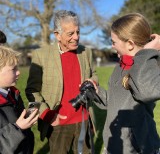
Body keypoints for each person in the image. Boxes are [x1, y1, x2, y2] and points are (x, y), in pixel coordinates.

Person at [25, 10, 98, 154]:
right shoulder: (41, 55)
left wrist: (92, 81)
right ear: (57, 35)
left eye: (78, 32)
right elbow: (32, 90)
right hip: (57, 123)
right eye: (70, 34)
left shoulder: (86, 52)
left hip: (83, 119)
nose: (76, 37)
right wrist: (48, 114)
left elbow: (94, 74)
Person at [96, 13, 160, 154]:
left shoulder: (152, 66)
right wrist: (95, 92)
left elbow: (146, 91)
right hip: (115, 143)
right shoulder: (120, 66)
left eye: (114, 42)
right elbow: (112, 102)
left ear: (130, 44)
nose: (112, 46)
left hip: (137, 148)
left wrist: (147, 52)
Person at [0, 46, 39, 153]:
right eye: (13, 69)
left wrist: (26, 120)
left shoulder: (13, 93)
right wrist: (18, 127)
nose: (19, 72)